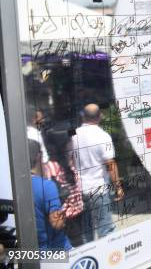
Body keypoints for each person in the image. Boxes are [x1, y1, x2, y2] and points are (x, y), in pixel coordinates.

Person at [70, 104, 123, 243]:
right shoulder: (103, 136)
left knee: (86, 234)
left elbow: (70, 161)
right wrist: (118, 187)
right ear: (100, 116)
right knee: (106, 230)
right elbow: (110, 165)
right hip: (99, 189)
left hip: (80, 190)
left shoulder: (73, 135)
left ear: (83, 116)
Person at [29, 139, 71, 250]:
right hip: (57, 251)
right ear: (38, 156)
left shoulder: (15, 187)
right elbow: (57, 223)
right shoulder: (46, 186)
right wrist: (64, 210)